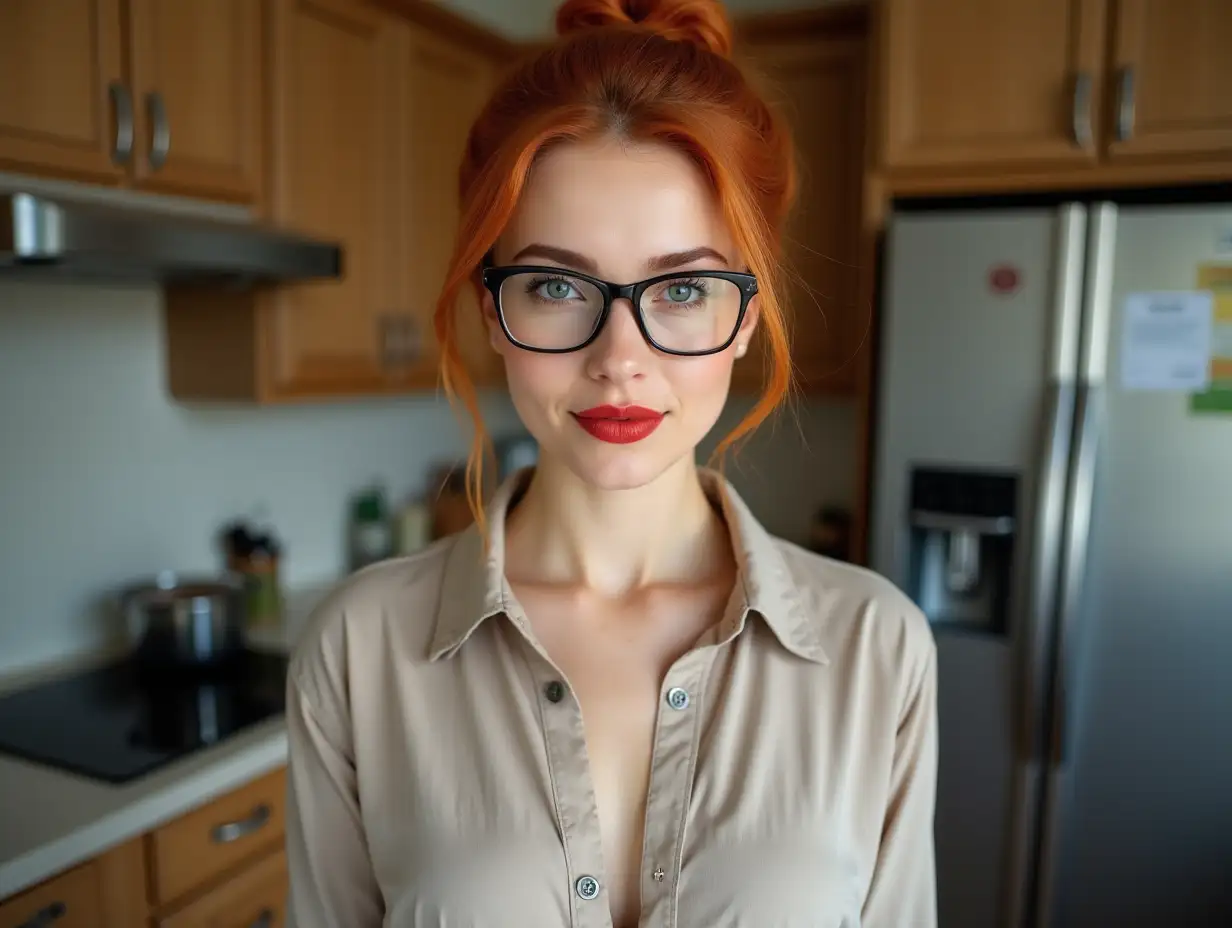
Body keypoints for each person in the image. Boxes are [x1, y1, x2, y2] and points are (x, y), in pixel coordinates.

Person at [284, 0, 938, 924]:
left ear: (745, 316)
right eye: (555, 285)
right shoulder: (357, 652)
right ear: (489, 307)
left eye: (682, 289)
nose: (620, 359)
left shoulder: (877, 650)